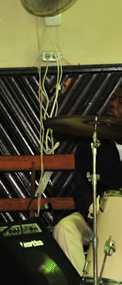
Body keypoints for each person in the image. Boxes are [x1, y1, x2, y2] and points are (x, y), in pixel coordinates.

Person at [53, 86, 122, 273]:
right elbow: (81, 187)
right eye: (113, 99)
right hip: (97, 218)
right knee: (64, 228)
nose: (112, 105)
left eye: (120, 102)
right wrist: (92, 210)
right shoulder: (92, 143)